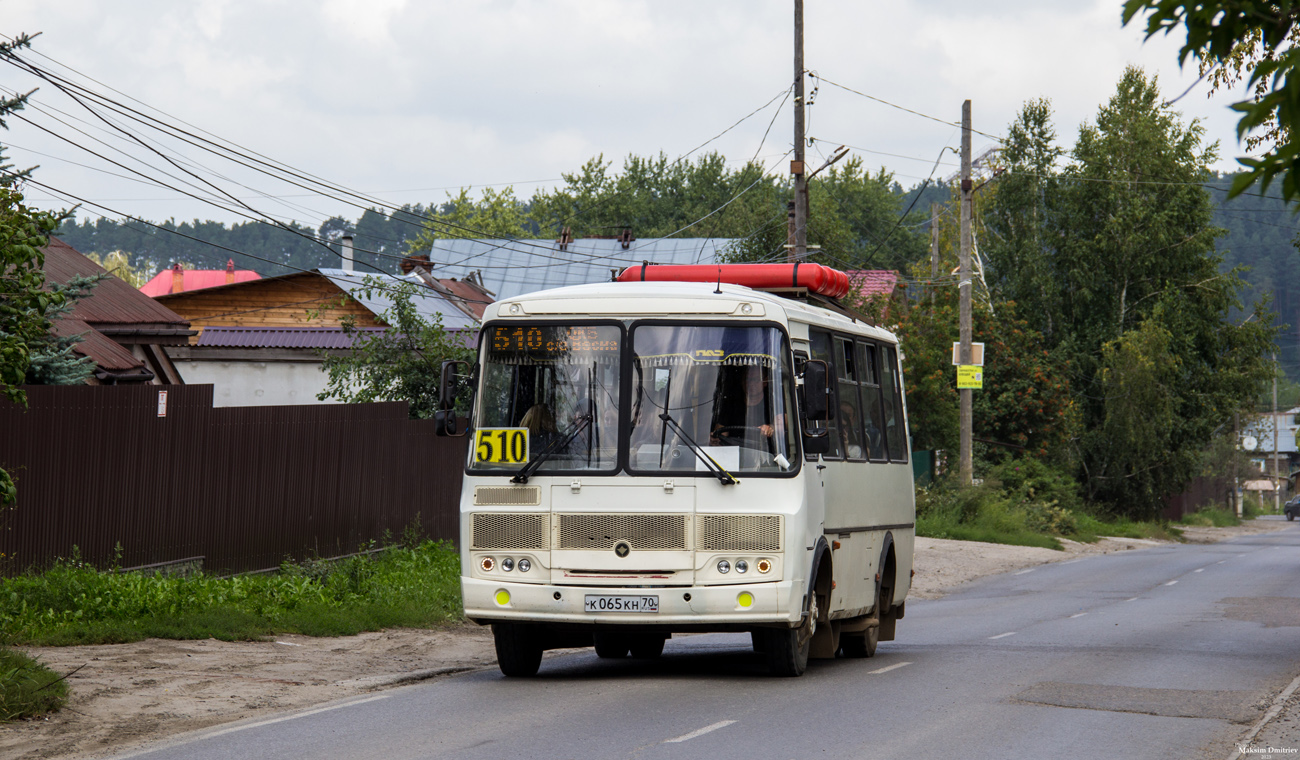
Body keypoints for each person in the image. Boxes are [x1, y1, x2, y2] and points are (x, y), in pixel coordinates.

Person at [711, 365, 783, 449]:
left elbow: (780, 427)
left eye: (755, 380)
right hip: (734, 454)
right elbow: (721, 433)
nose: (751, 383)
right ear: (742, 381)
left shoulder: (773, 401)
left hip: (765, 454)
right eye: (747, 379)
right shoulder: (730, 404)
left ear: (765, 381)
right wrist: (715, 439)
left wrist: (770, 428)